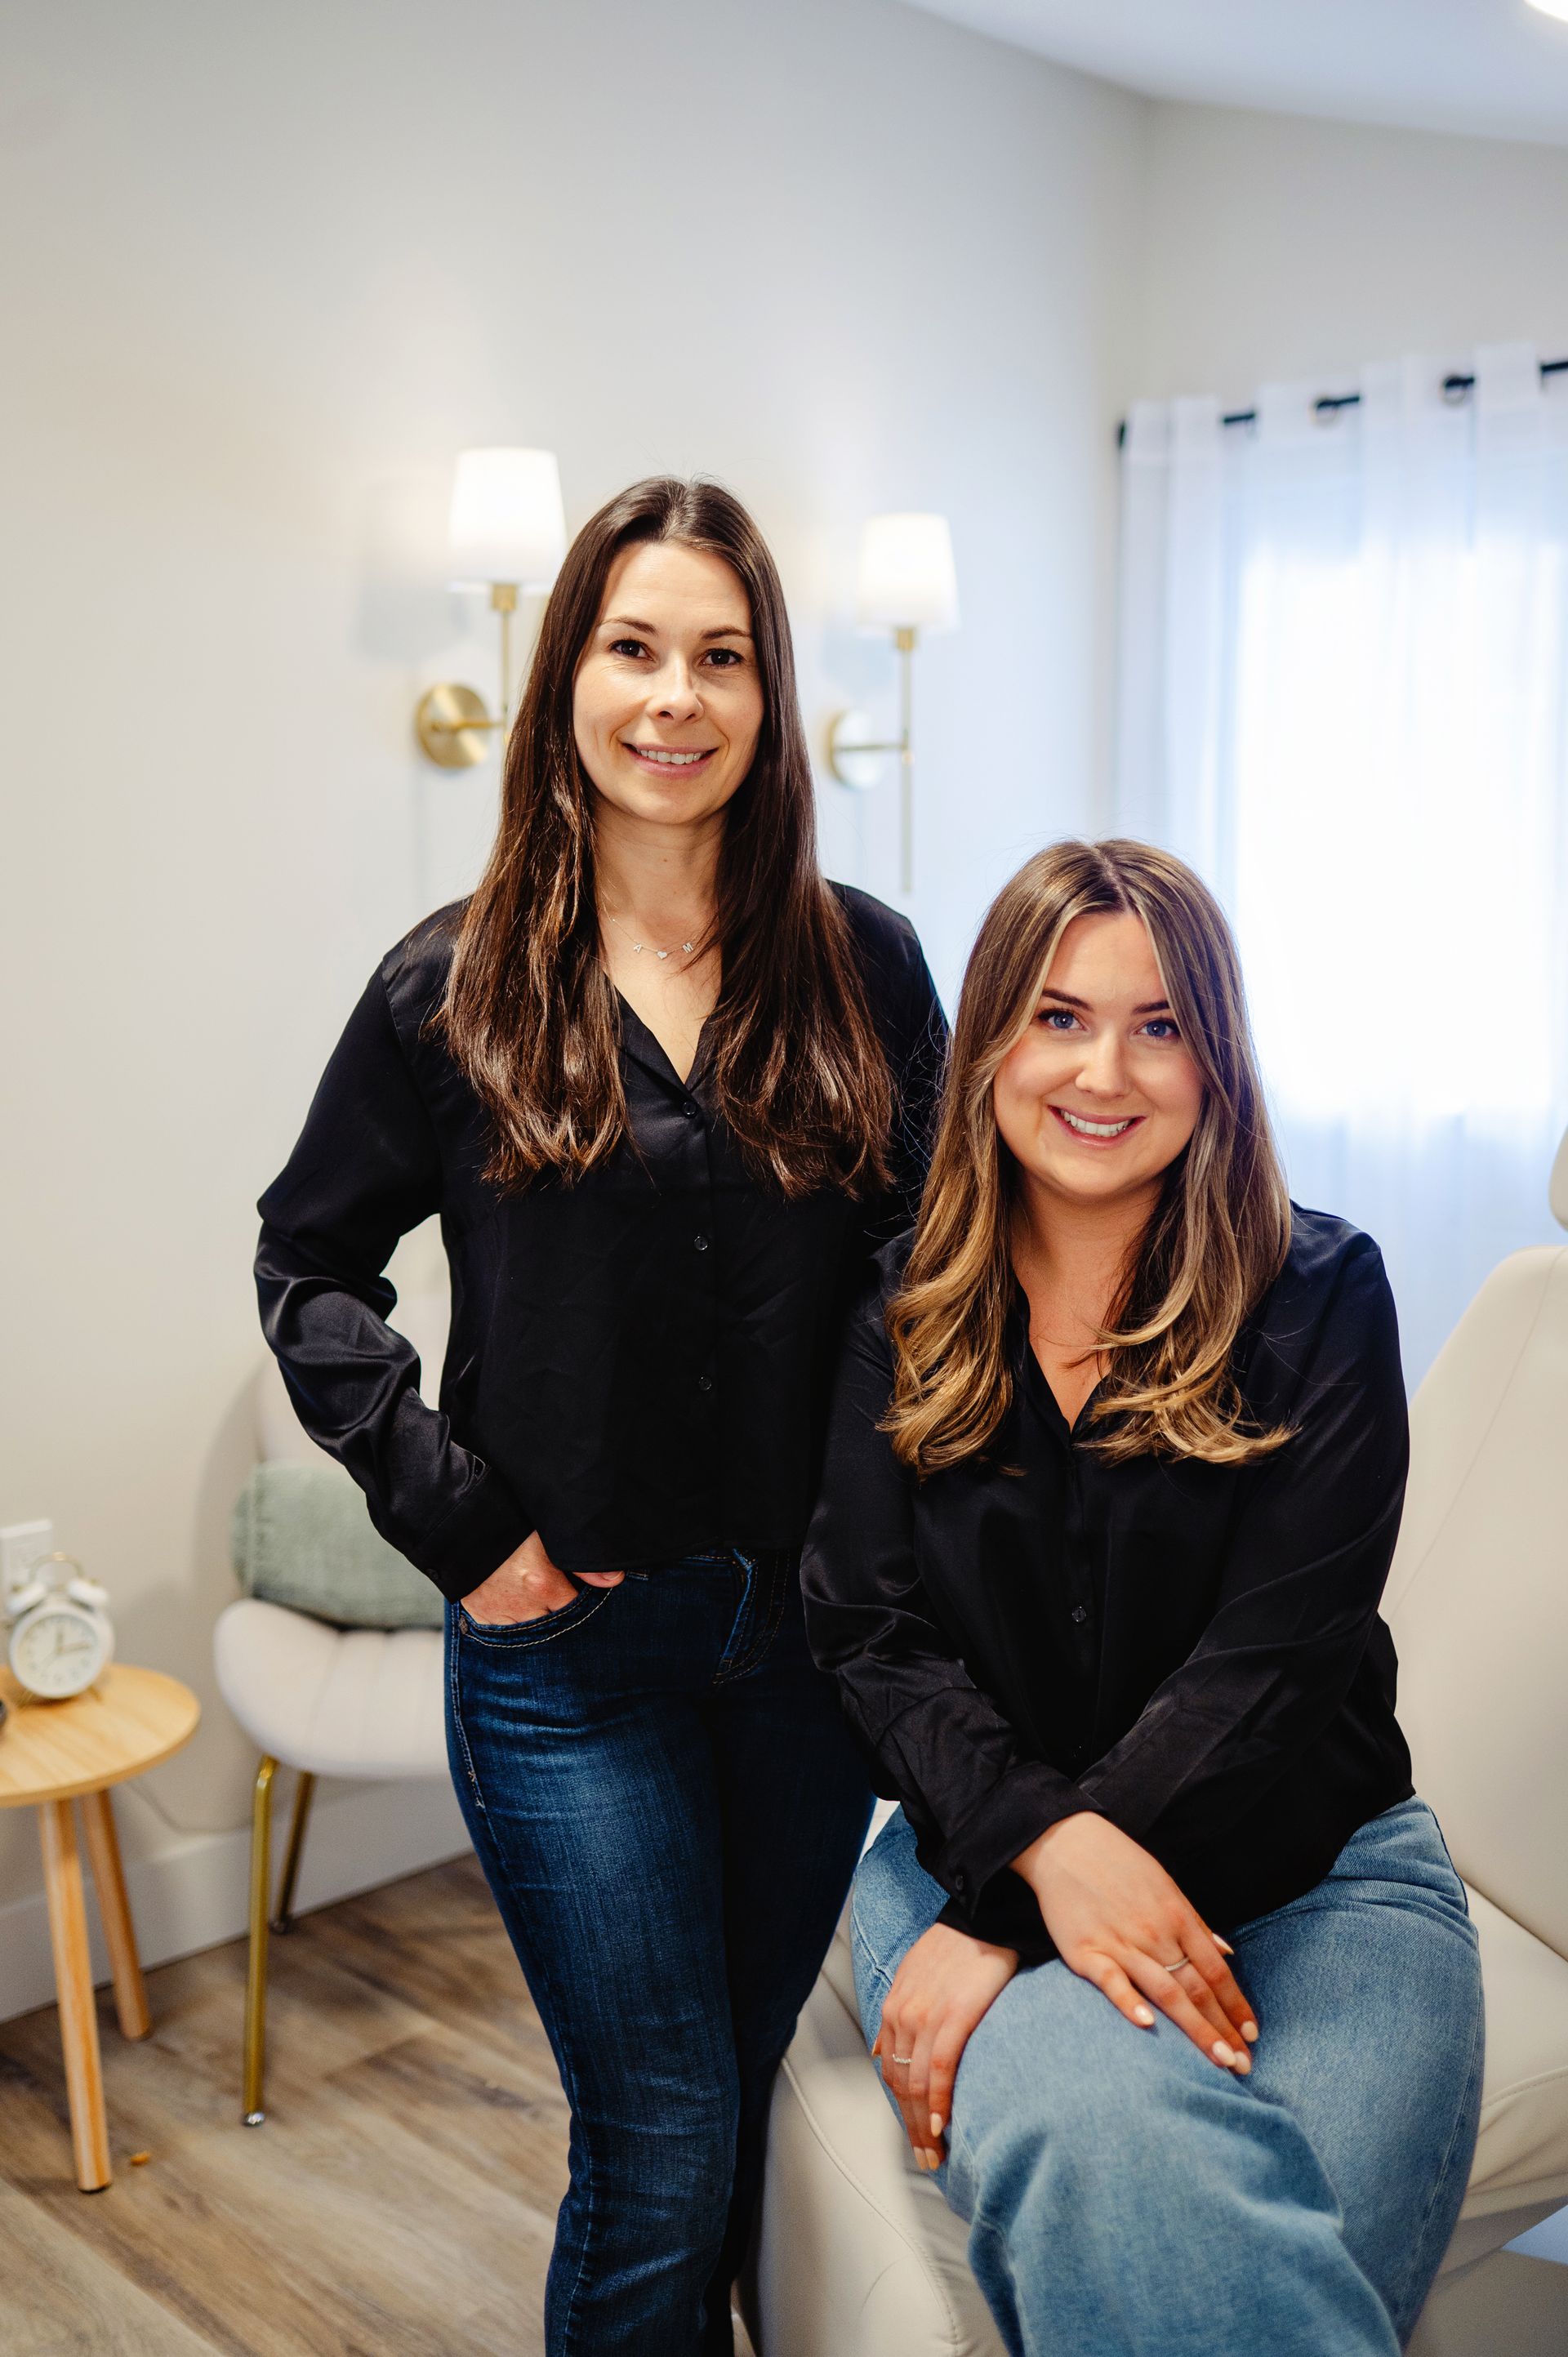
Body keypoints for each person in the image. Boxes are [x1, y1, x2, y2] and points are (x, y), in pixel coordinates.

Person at [254, 476, 947, 2357]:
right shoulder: (451, 981)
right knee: (659, 2144)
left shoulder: (869, 965)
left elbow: (928, 1269)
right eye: (633, 648)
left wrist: (870, 1542)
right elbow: (309, 1268)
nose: (674, 697)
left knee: (719, 2111)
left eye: (720, 656)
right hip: (571, 1662)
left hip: (806, 1652)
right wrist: (456, 1525)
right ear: (566, 675)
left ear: (769, 691)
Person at [801, 837, 1483, 2357]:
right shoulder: (897, 1312)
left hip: (1325, 1884)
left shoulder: (1322, 1294)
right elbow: (868, 1633)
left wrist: (1019, 1896)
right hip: (970, 1855)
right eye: (1057, 1015)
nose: (1105, 1068)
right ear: (987, 1044)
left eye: (1160, 1024)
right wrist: (1029, 1859)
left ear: (1216, 1058)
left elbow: (1277, 1660)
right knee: (1126, 2168)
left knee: (1245, 2236)